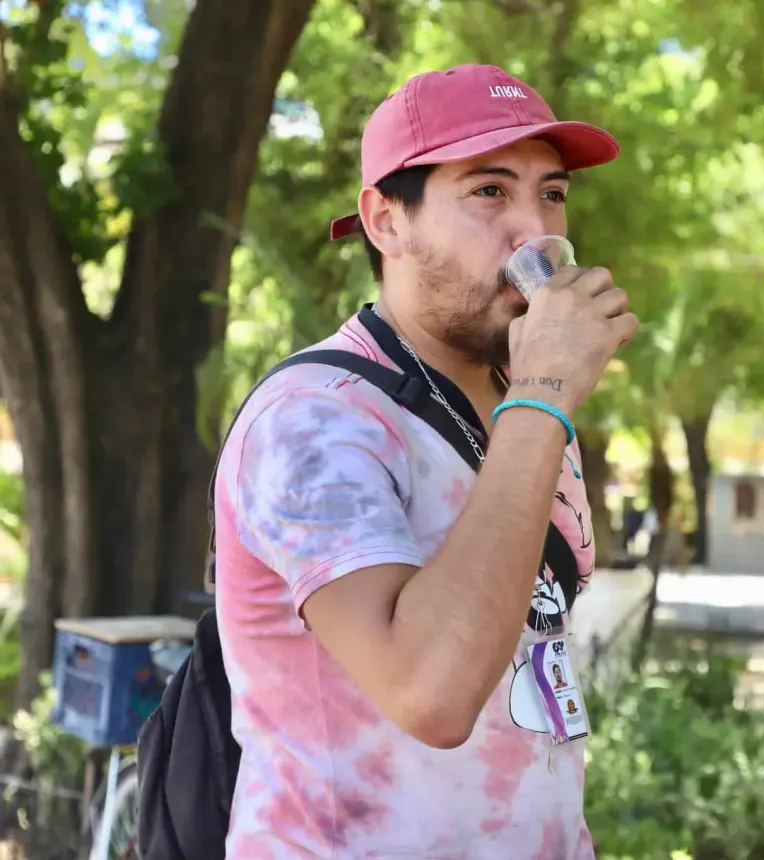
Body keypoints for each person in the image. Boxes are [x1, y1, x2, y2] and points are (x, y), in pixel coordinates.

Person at [212, 65, 636, 858]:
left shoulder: (525, 411)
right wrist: (544, 394)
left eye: (552, 194)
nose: (532, 232)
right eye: (488, 192)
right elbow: (432, 696)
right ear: (385, 220)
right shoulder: (315, 416)